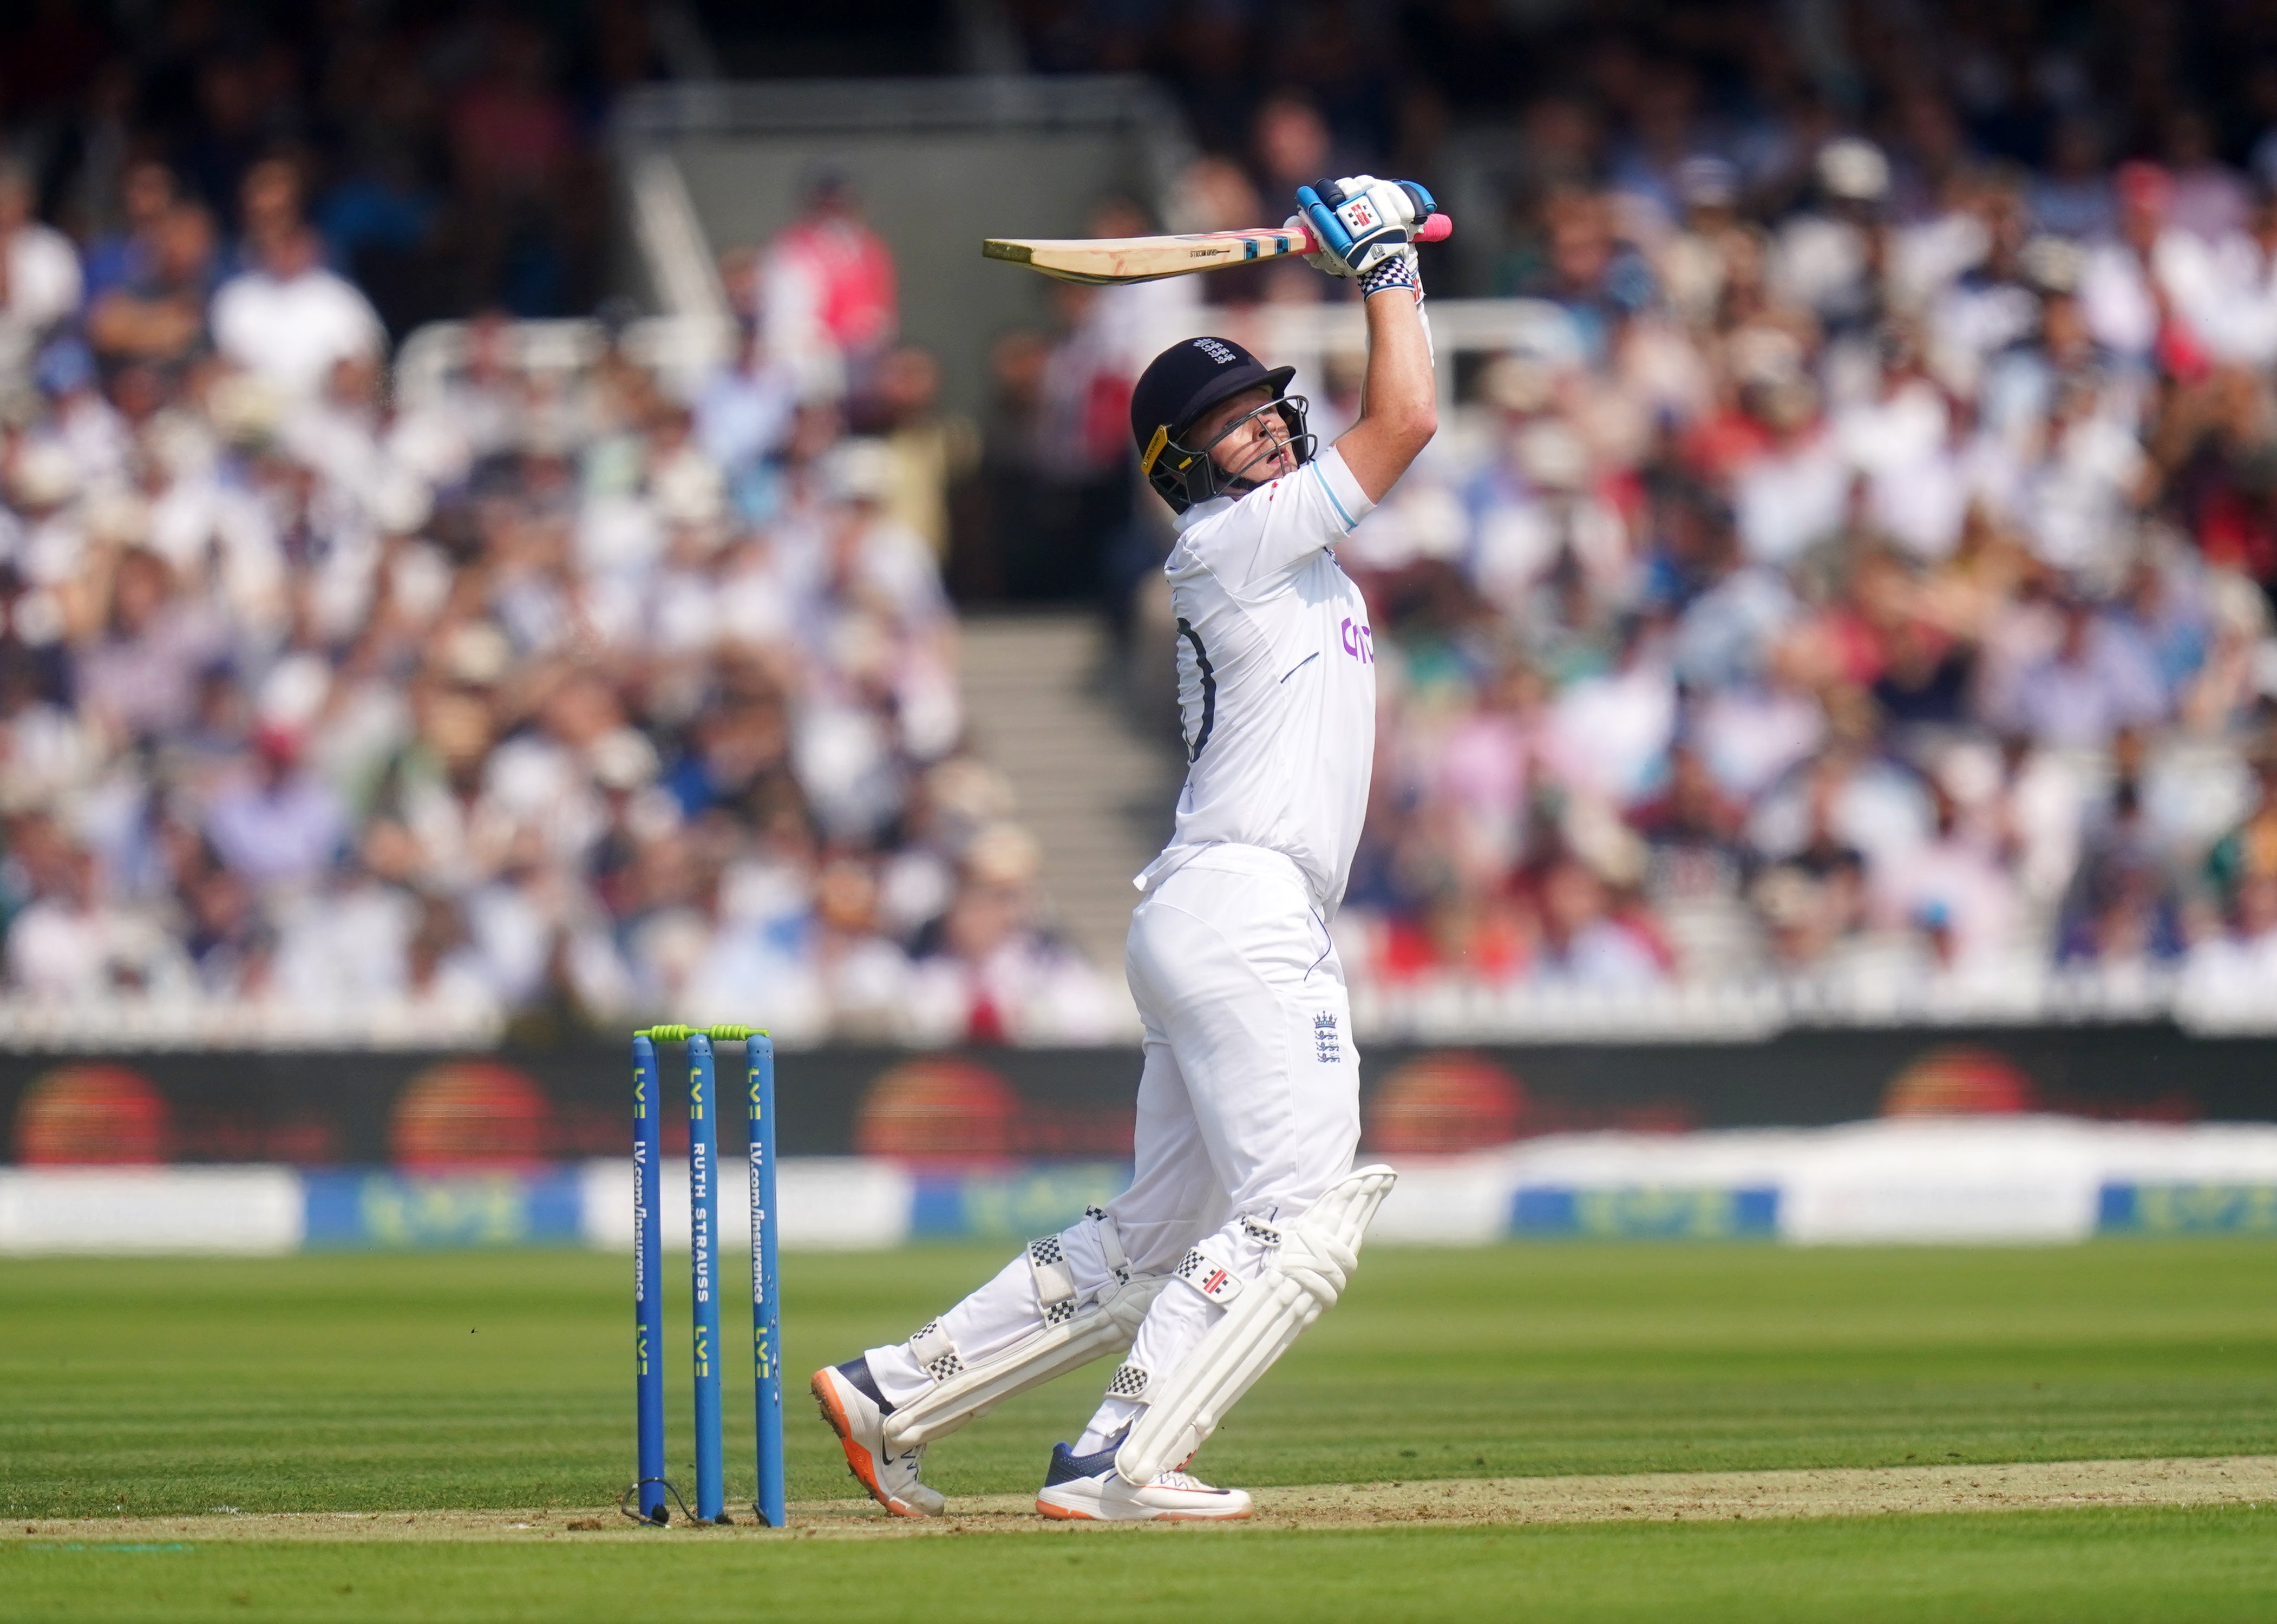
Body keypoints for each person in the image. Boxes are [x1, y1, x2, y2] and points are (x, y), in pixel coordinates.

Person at [810, 176, 1440, 1522]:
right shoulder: (1234, 544)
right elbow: (1411, 417)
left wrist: (1357, 272)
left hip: (1210, 909)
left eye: (1267, 407)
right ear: (1180, 466)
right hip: (1245, 906)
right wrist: (1385, 259)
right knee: (1306, 1212)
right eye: (1226, 427)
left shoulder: (1291, 553)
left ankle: (897, 1389)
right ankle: (1119, 1457)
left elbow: (1371, 425)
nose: (1262, 430)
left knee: (1159, 1234)